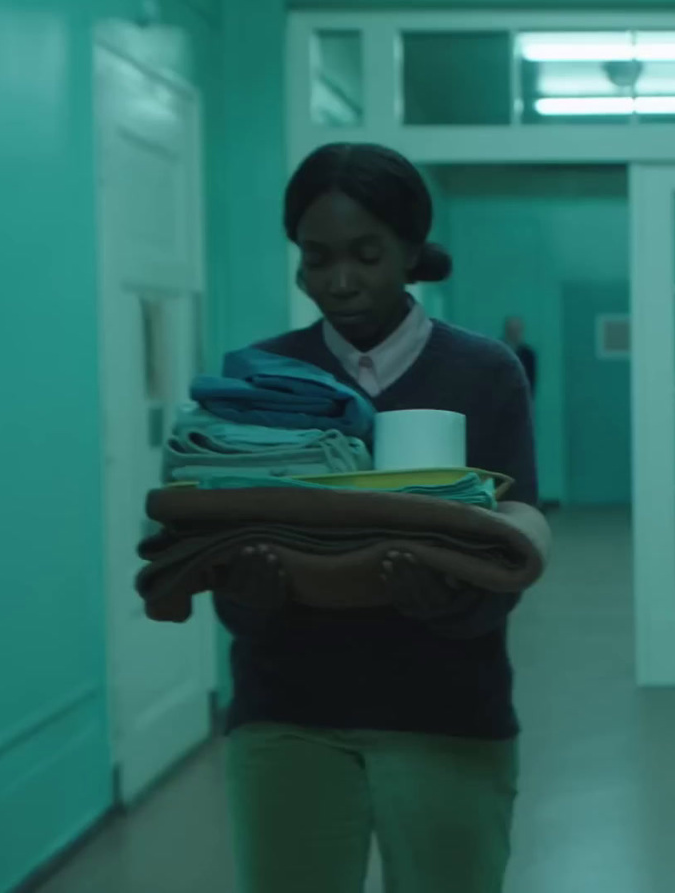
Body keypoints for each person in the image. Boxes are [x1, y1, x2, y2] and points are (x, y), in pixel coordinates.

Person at [217, 142, 538, 893]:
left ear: (411, 251)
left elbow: (511, 535)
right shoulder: (258, 378)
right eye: (317, 256)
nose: (339, 279)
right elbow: (221, 536)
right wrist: (248, 593)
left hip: (448, 708)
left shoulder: (484, 372)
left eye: (366, 254)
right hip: (287, 709)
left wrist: (454, 602)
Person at [503, 315, 537, 397]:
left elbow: (531, 381)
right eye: (512, 330)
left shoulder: (528, 355)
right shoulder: (498, 351)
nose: (514, 334)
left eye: (517, 330)